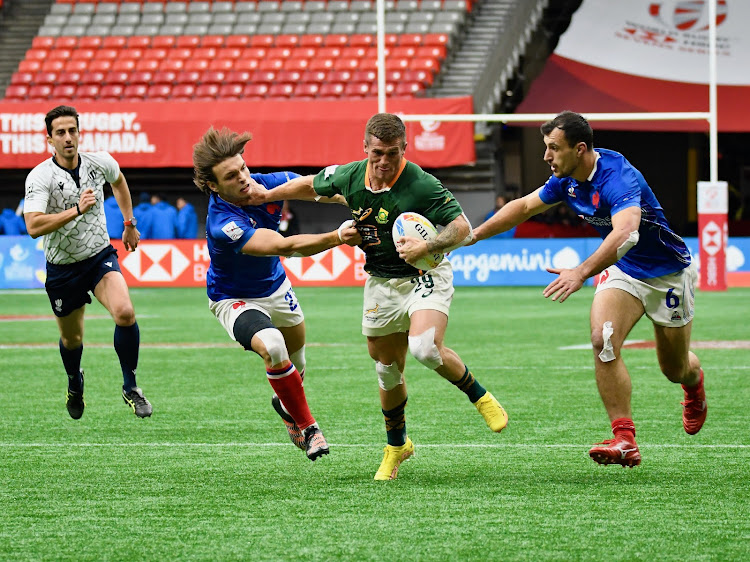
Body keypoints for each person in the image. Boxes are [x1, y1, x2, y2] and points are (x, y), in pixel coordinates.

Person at [245, 113, 508, 480]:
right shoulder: (350, 176)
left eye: (394, 154)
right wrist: (268, 194)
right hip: (381, 282)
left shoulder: (421, 183)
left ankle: (479, 396)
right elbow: (310, 185)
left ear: (405, 148)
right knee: (386, 371)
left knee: (425, 348)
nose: (385, 162)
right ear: (365, 148)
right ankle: (397, 447)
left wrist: (427, 246)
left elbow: (462, 227)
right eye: (378, 154)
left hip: (425, 274)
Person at [472, 110, 705, 467]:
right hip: (624, 271)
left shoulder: (618, 176)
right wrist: (473, 236)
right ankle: (624, 438)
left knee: (674, 369)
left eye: (554, 148)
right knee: (603, 339)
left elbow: (626, 232)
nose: (546, 156)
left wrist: (580, 272)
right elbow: (523, 207)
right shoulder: (565, 180)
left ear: (580, 149)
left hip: (666, 274)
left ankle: (694, 383)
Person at [192, 126, 361, 461]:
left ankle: (285, 405)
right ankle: (310, 428)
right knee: (272, 345)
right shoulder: (222, 223)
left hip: (276, 287)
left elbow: (315, 188)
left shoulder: (268, 182)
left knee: (297, 365)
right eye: (231, 176)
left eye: (243, 168)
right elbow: (286, 245)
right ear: (213, 185)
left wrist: (353, 197)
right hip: (234, 298)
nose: (243, 178)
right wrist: (338, 236)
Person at [23, 105, 152, 419]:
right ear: (49, 140)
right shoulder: (40, 176)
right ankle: (74, 382)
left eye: (72, 131)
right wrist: (76, 210)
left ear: (79, 133)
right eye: (61, 133)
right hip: (62, 269)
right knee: (72, 339)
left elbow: (119, 181)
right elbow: (33, 226)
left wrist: (129, 223)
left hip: (98, 257)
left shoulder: (100, 162)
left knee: (125, 313)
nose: (68, 138)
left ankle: (130, 386)